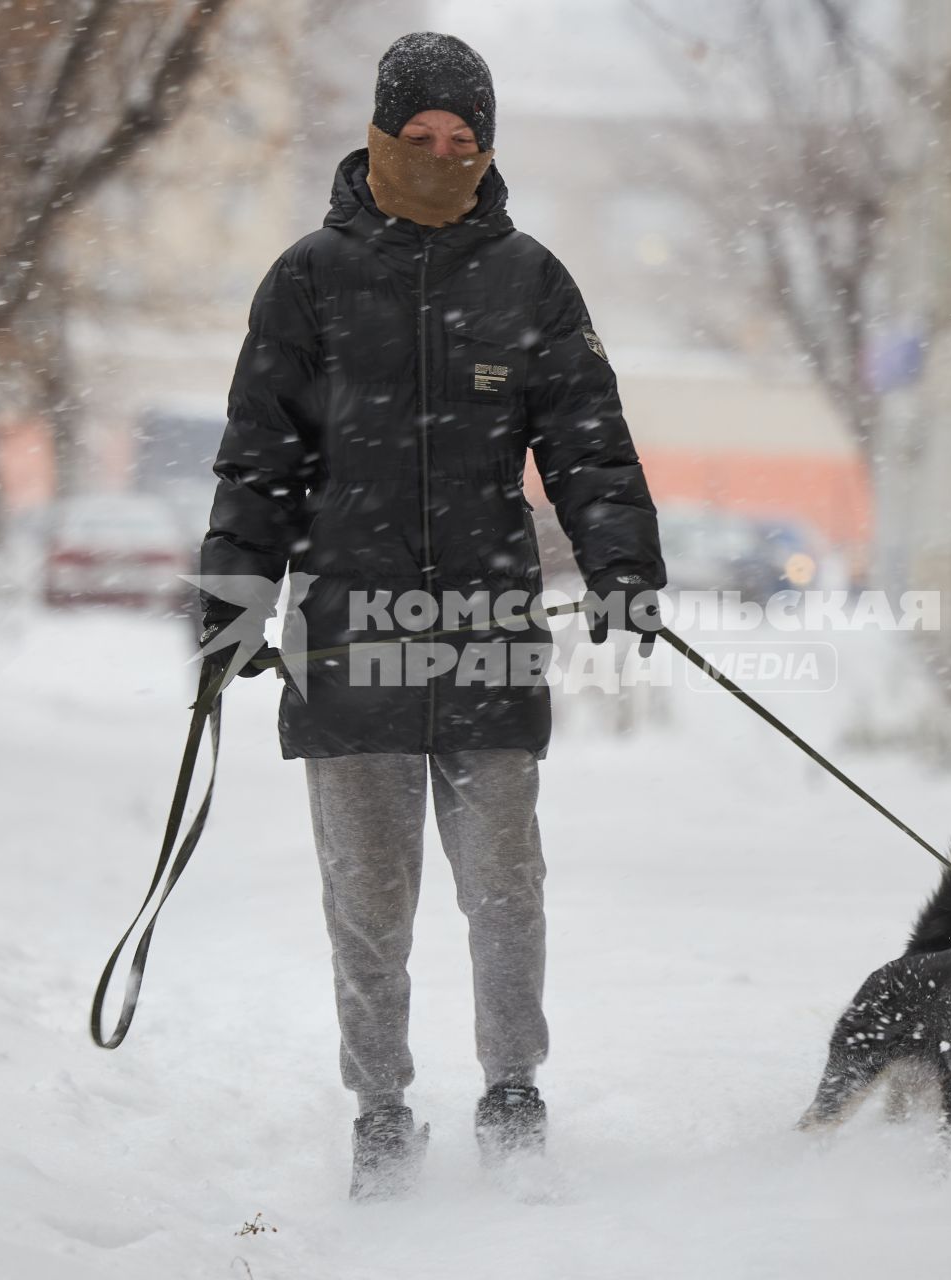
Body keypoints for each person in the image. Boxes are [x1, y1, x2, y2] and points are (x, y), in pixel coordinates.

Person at [196, 31, 666, 1200]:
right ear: (379, 136)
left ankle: (512, 1087)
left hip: (487, 620)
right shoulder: (306, 279)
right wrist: (236, 591)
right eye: (422, 139)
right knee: (367, 898)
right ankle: (382, 1108)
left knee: (503, 880)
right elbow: (259, 458)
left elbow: (587, 440)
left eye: (464, 142)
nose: (443, 158)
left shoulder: (529, 280)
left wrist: (619, 558)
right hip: (348, 625)